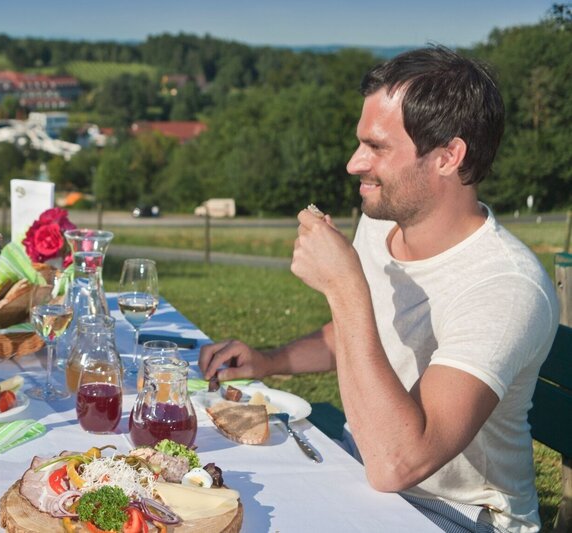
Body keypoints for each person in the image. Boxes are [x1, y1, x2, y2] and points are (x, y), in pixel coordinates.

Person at [199, 46, 559, 533]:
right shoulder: (383, 222)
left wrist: (345, 286)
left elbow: (399, 464)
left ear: (449, 157)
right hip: (360, 475)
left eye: (377, 147)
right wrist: (270, 360)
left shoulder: (503, 286)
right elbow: (362, 335)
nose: (353, 163)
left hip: (456, 515)